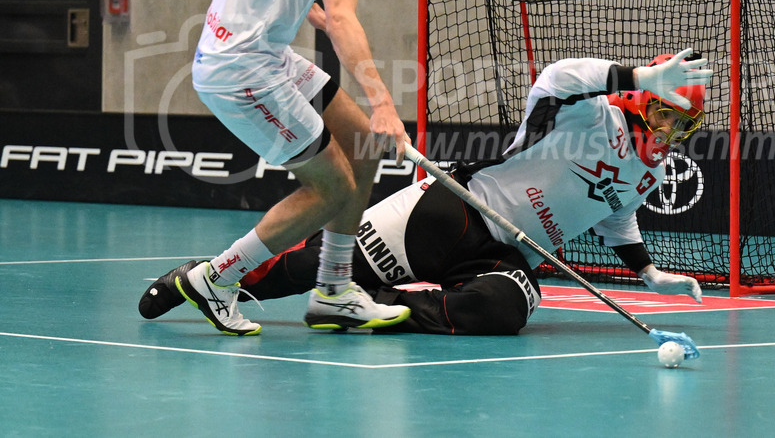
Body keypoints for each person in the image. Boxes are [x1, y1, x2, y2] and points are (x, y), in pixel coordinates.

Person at [141, 50, 712, 335]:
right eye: (664, 113)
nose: (669, 132)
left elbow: (617, 218)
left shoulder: (652, 176)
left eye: (680, 124)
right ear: (643, 100)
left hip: (507, 255)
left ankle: (385, 310)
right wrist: (636, 75)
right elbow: (561, 76)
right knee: (309, 270)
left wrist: (648, 273)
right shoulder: (586, 116)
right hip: (460, 208)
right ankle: (207, 275)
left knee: (503, 310)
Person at [176, 0, 413, 336]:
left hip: (262, 49)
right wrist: (383, 105)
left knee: (361, 146)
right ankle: (216, 278)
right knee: (330, 187)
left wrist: (307, 11)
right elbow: (348, 18)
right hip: (244, 68)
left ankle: (332, 289)